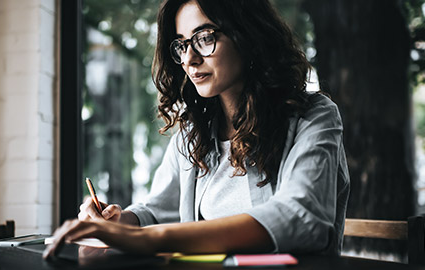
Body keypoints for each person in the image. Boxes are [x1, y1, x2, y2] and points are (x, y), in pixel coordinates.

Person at [43, 0, 350, 259]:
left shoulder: (314, 118)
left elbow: (301, 218)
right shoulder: (194, 133)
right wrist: (117, 223)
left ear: (248, 35)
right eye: (182, 45)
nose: (189, 59)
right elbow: (155, 211)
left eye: (204, 38)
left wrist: (153, 238)